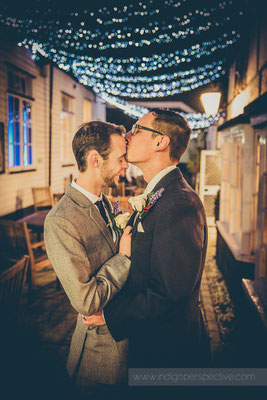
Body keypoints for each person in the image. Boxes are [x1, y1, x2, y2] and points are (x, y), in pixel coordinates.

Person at [82, 109, 211, 368]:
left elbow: (168, 293)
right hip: (156, 346)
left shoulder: (178, 203)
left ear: (160, 142)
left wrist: (109, 315)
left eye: (137, 129)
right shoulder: (161, 194)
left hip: (168, 355)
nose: (127, 135)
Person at [44, 121, 132, 392]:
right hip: (100, 361)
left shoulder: (105, 200)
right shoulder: (60, 221)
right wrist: (124, 258)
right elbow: (86, 300)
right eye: (120, 158)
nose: (125, 165)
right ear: (95, 159)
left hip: (126, 344)